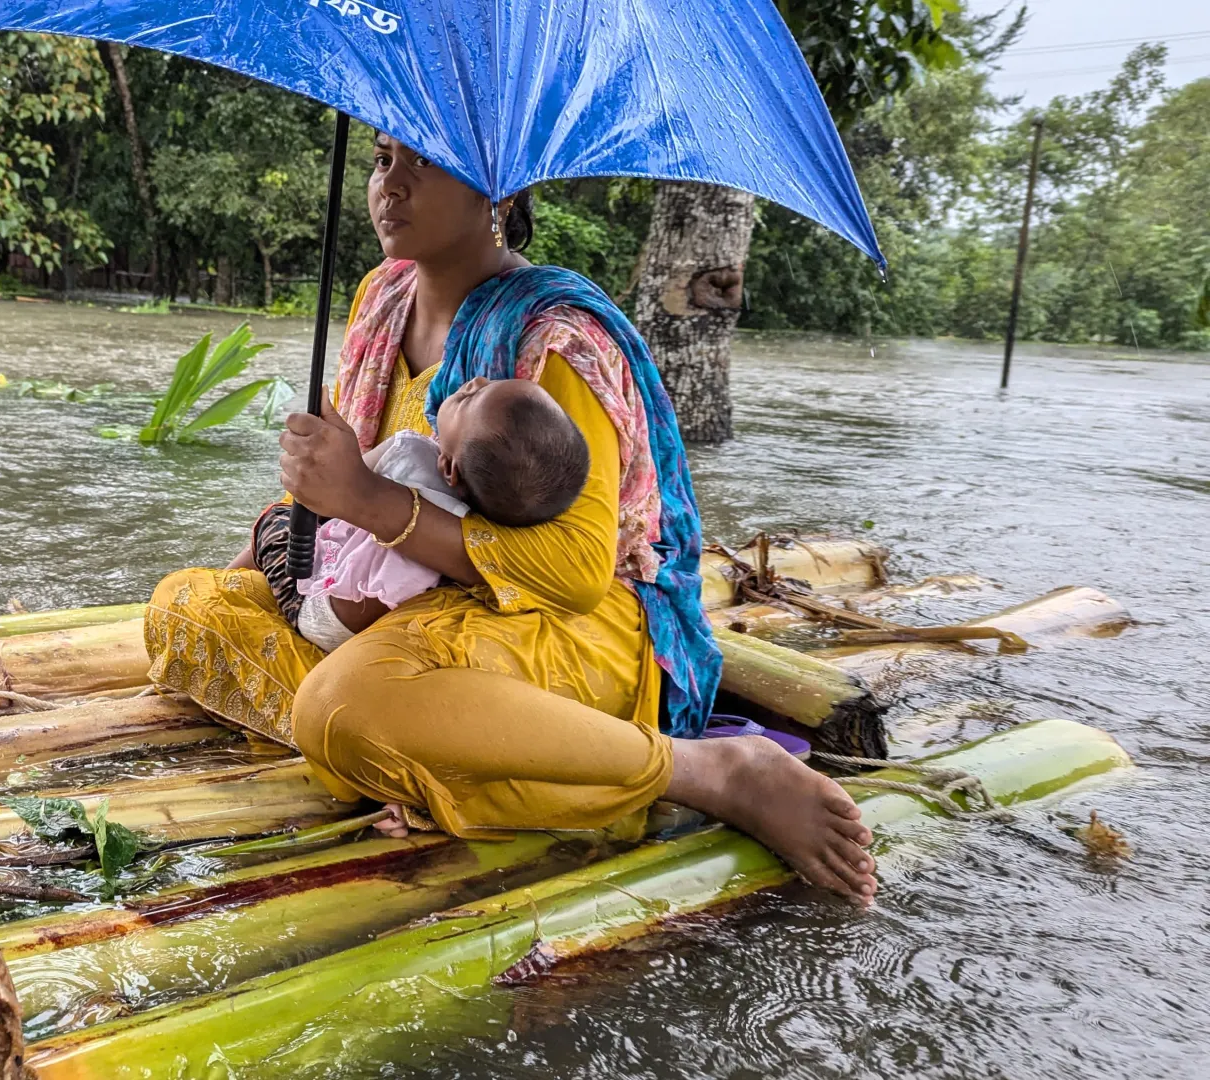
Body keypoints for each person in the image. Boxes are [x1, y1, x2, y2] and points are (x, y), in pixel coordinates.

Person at [144, 132, 878, 904]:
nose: (388, 186)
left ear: (497, 193)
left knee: (343, 707)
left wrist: (368, 501)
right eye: (381, 160)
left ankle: (702, 771)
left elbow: (576, 572)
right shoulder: (378, 298)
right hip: (396, 604)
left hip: (553, 624)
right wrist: (277, 543)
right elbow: (336, 506)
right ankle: (441, 756)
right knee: (185, 607)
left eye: (422, 163)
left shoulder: (555, 340)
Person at [261, 377, 591, 653]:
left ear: (448, 468)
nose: (475, 381)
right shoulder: (474, 535)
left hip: (317, 617)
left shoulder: (410, 453)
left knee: (275, 519)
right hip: (359, 630)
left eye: (470, 398)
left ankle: (231, 580)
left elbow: (336, 492)